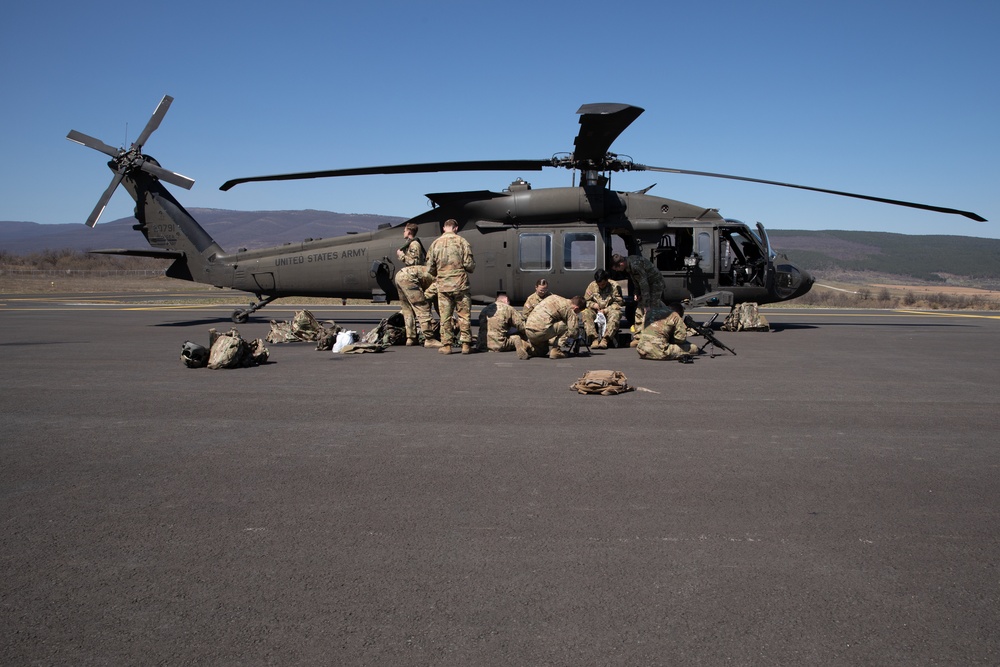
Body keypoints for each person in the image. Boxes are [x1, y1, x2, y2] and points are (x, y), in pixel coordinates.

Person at [425, 219, 476, 354]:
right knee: (464, 315)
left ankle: (447, 345)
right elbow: (470, 265)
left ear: (444, 228)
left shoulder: (435, 244)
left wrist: (441, 273)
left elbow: (430, 268)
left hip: (443, 286)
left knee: (445, 317)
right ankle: (465, 344)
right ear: (456, 228)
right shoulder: (462, 242)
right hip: (460, 285)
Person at [610, 253, 667, 344]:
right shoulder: (629, 265)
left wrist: (646, 304)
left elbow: (644, 284)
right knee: (639, 311)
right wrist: (637, 292)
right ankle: (639, 336)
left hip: (655, 285)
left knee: (652, 311)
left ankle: (654, 336)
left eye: (617, 268)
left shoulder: (635, 265)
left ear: (621, 264)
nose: (617, 271)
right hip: (646, 286)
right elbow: (636, 280)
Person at [515, 295, 585, 360]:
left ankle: (526, 346)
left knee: (542, 351)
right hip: (541, 330)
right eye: (578, 312)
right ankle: (556, 350)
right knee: (566, 325)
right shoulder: (570, 310)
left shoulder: (554, 297)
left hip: (528, 329)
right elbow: (573, 331)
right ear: (576, 308)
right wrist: (577, 337)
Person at [636, 303, 701, 361]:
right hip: (659, 352)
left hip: (641, 350)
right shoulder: (675, 315)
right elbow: (680, 339)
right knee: (694, 348)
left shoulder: (651, 312)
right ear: (679, 313)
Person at [393, 264, 438, 346]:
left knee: (407, 309)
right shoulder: (442, 280)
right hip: (410, 278)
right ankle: (429, 339)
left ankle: (411, 338)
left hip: (400, 275)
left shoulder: (438, 273)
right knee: (422, 307)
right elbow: (430, 296)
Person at [581, 269, 624, 349]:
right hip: (596, 310)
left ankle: (605, 339)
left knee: (616, 314)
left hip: (609, 310)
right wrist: (593, 305)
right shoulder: (592, 286)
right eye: (599, 284)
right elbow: (586, 301)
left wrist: (606, 310)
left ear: (607, 280)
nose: (601, 286)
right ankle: (594, 339)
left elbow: (619, 302)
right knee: (586, 313)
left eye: (603, 284)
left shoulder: (614, 286)